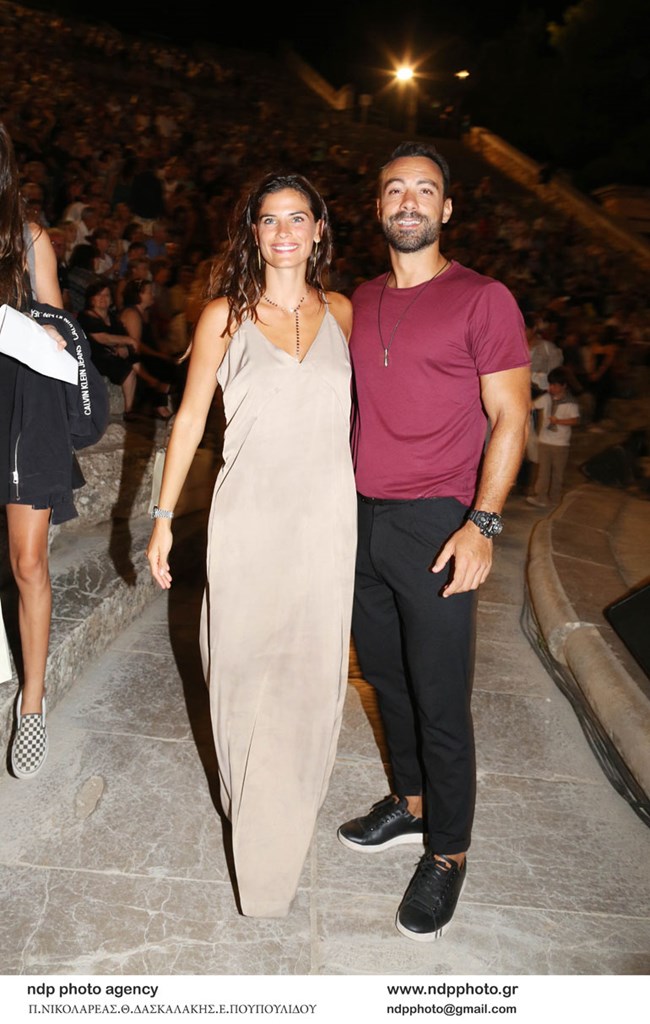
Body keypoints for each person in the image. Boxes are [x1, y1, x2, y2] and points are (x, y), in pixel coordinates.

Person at [146, 173, 355, 917]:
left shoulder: (344, 313)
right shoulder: (223, 317)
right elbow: (190, 419)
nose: (284, 231)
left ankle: (281, 836)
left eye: (298, 217)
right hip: (247, 521)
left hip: (327, 524)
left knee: (310, 679)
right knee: (236, 674)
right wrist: (163, 515)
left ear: (319, 228)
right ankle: (252, 812)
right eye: (269, 220)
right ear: (253, 233)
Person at [338, 142, 530, 941]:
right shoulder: (361, 297)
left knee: (441, 695)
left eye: (425, 190)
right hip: (361, 518)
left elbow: (512, 416)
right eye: (395, 189)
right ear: (379, 206)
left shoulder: (483, 298)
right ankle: (411, 803)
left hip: (438, 520)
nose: (409, 201)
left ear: (446, 209)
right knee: (386, 676)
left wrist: (482, 524)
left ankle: (447, 852)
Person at [0, 123, 67, 778]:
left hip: (22, 408)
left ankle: (33, 701)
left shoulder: (28, 237)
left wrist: (33, 327)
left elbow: (59, 329)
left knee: (28, 562)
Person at [526, 366, 580, 508]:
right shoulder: (546, 398)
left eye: (555, 385)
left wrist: (558, 421)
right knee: (543, 471)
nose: (551, 388)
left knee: (557, 473)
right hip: (545, 441)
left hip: (561, 444)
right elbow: (532, 405)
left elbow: (575, 420)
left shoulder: (570, 402)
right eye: (550, 385)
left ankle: (554, 499)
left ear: (564, 385)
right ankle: (541, 497)